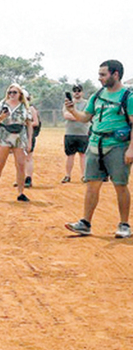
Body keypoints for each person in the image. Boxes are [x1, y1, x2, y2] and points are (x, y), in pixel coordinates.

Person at [64, 60, 133, 238]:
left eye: (103, 74)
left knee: (120, 185)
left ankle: (124, 225)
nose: (99, 78)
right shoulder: (97, 95)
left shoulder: (128, 97)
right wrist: (72, 111)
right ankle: (85, 223)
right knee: (92, 185)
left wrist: (131, 149)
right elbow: (85, 117)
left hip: (118, 146)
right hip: (94, 145)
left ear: (115, 74)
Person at [0, 83, 33, 202]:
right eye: (10, 92)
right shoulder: (2, 104)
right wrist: (1, 117)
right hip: (4, 136)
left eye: (14, 92)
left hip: (19, 137)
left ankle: (21, 192)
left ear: (20, 94)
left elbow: (29, 124)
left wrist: (29, 141)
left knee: (21, 165)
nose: (12, 95)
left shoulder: (24, 106)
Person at [62, 84, 90, 183]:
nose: (77, 93)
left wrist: (76, 115)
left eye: (79, 90)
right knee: (70, 155)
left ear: (82, 92)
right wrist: (80, 117)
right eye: (75, 91)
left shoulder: (87, 103)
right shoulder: (68, 103)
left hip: (84, 133)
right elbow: (66, 115)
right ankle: (67, 175)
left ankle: (84, 175)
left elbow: (87, 115)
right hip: (70, 133)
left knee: (83, 155)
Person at [23, 91, 41, 188]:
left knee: (28, 157)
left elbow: (36, 122)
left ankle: (28, 178)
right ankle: (21, 178)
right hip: (19, 136)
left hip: (29, 135)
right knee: (20, 158)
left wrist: (25, 124)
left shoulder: (31, 109)